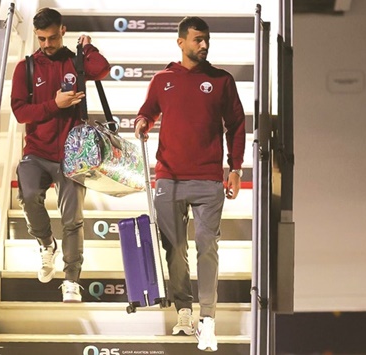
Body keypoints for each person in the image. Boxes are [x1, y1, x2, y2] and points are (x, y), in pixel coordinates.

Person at [134, 16, 245, 352]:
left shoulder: (221, 80)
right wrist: (142, 122)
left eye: (207, 39)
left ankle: (207, 320)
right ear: (180, 42)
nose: (204, 45)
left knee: (206, 246)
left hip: (209, 178)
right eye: (198, 39)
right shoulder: (162, 79)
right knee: (174, 247)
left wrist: (236, 168)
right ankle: (183, 309)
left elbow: (237, 125)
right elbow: (147, 111)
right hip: (169, 176)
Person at [10, 7, 110, 303]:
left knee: (72, 220)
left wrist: (87, 47)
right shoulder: (26, 68)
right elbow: (19, 112)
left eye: (52, 38)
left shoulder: (75, 61)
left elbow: (102, 69)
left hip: (73, 153)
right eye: (41, 39)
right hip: (37, 152)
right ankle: (45, 243)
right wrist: (55, 104)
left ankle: (71, 279)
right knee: (28, 196)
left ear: (62, 30)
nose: (46, 44)